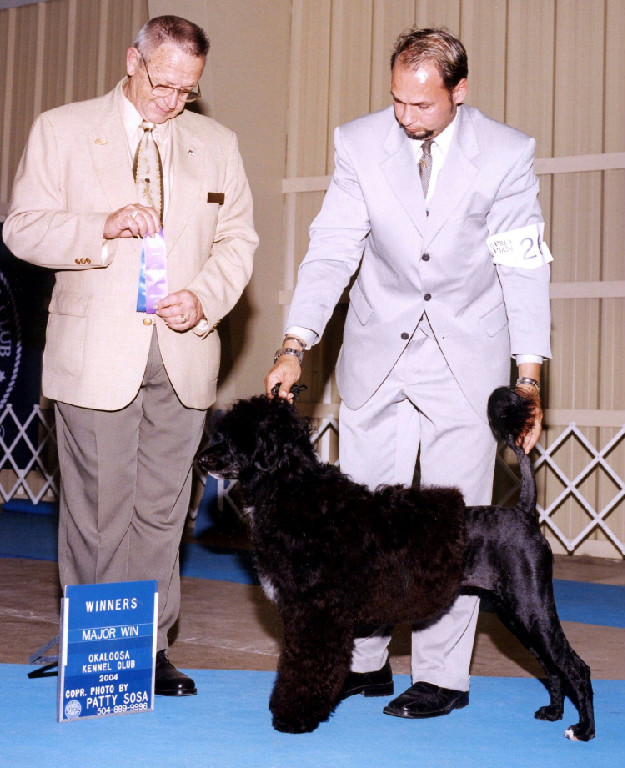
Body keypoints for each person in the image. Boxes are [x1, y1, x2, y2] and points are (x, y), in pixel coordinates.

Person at [265, 27, 551, 719]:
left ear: (458, 92)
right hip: (375, 351)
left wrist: (529, 376)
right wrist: (295, 341)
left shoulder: (506, 155)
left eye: (421, 106)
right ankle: (361, 664)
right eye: (396, 101)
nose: (404, 117)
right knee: (359, 520)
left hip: (465, 355)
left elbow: (521, 266)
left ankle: (443, 677)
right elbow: (332, 248)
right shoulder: (358, 143)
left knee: (446, 526)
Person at [4, 15, 258, 696]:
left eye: (186, 91)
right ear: (133, 61)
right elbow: (22, 228)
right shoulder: (62, 128)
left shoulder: (217, 143)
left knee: (162, 513)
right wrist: (101, 227)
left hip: (183, 355)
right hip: (94, 355)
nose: (171, 100)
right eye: (162, 82)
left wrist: (203, 298)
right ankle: (95, 650)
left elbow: (238, 242)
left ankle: (146, 651)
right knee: (97, 512)